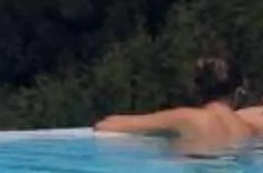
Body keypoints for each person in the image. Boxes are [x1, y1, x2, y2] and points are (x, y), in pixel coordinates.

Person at [95, 58, 248, 151]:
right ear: (238, 92)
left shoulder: (187, 118)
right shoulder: (244, 128)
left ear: (197, 88)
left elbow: (106, 125)